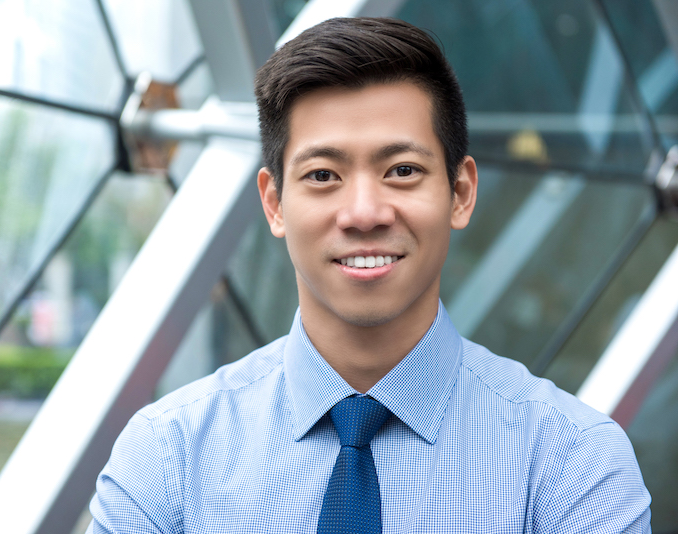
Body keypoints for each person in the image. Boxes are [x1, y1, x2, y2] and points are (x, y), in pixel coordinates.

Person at [87, 17, 651, 533]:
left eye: (402, 170)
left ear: (460, 193)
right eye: (324, 174)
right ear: (274, 203)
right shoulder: (168, 457)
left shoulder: (571, 464)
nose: (363, 213)